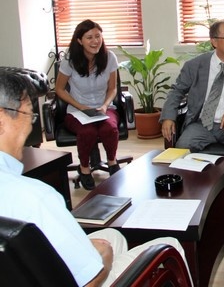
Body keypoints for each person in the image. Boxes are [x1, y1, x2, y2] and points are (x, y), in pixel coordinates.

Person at [0, 69, 190, 286]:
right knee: (170, 244)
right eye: (29, 114)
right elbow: (91, 280)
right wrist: (104, 258)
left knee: (113, 237)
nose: (31, 124)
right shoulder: (35, 198)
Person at [161, 20, 224, 199]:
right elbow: (177, 91)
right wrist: (168, 117)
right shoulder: (195, 65)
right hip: (201, 123)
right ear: (214, 41)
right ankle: (191, 195)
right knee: (183, 146)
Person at [55, 19, 121, 190]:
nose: (95, 41)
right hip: (77, 110)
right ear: (79, 40)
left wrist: (105, 105)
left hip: (103, 108)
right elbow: (59, 89)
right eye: (89, 37)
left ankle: (112, 162)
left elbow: (113, 88)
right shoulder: (70, 60)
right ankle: (84, 168)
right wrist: (80, 106)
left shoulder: (109, 57)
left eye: (98, 36)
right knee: (87, 132)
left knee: (109, 129)